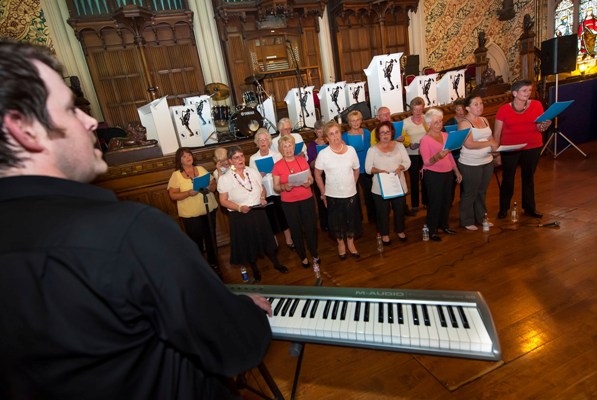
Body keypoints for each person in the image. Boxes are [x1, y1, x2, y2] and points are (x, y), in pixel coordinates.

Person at [0, 40, 272, 400]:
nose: (91, 120)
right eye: (70, 109)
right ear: (24, 129)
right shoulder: (129, 232)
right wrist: (246, 310)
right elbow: (234, 345)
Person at [218, 146, 289, 281]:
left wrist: (262, 197)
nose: (240, 159)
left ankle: (276, 263)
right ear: (230, 161)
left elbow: (262, 189)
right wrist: (239, 208)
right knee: (248, 244)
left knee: (267, 240)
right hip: (240, 216)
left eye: (242, 156)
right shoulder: (225, 178)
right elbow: (223, 201)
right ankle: (255, 269)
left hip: (258, 211)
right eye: (236, 157)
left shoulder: (253, 172)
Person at [494, 79, 551, 219]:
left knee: (528, 177)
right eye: (524, 91)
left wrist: (545, 125)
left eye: (529, 90)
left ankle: (529, 207)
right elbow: (496, 133)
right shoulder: (503, 109)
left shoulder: (537, 105)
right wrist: (496, 154)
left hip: (532, 146)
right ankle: (503, 208)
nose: (528, 93)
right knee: (508, 178)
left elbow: (539, 127)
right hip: (509, 148)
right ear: (514, 93)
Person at [272, 135, 320, 272]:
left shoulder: (302, 160)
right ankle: (303, 256)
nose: (288, 149)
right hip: (289, 202)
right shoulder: (277, 166)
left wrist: (308, 182)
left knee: (311, 228)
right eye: (285, 146)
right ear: (281, 149)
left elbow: (311, 179)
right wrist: (283, 187)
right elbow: (276, 186)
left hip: (307, 198)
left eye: (290, 145)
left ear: (294, 146)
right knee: (296, 230)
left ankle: (314, 253)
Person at [314, 121, 361, 259]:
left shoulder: (351, 150)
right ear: (326, 138)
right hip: (332, 194)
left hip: (350, 193)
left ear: (341, 133)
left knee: (351, 220)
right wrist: (323, 193)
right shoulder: (323, 154)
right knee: (337, 221)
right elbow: (317, 174)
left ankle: (351, 244)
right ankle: (341, 245)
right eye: (331, 134)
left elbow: (357, 169)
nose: (335, 136)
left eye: (337, 132)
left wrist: (352, 183)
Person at [168, 147, 220, 271]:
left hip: (209, 210)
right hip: (190, 215)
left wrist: (211, 186)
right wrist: (188, 193)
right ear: (179, 160)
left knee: (211, 237)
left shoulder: (201, 169)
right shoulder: (176, 175)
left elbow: (213, 183)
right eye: (184, 156)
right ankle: (200, 266)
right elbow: (173, 195)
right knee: (196, 241)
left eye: (189, 155)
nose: (188, 157)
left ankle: (214, 263)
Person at [419, 108, 462, 242]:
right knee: (435, 202)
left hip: (447, 173)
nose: (439, 124)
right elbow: (426, 161)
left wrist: (456, 171)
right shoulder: (425, 140)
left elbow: (450, 157)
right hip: (433, 175)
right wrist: (438, 156)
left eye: (440, 121)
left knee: (447, 201)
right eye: (436, 122)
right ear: (429, 124)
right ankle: (432, 230)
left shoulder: (445, 136)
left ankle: (444, 225)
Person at [365, 121, 411, 244]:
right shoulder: (372, 150)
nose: (385, 135)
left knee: (400, 209)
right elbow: (368, 169)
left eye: (387, 132)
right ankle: (384, 234)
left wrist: (401, 167)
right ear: (378, 135)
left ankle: (400, 230)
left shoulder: (400, 146)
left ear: (392, 133)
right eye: (382, 132)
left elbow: (407, 162)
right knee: (382, 212)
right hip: (380, 187)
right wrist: (379, 171)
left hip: (398, 184)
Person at [457, 95, 499, 230]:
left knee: (482, 191)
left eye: (481, 103)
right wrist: (490, 143)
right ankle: (467, 220)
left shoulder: (484, 120)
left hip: (487, 160)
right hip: (470, 163)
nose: (480, 106)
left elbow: (491, 138)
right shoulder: (464, 123)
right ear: (468, 108)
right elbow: (469, 144)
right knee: (470, 192)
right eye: (476, 104)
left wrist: (495, 151)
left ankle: (481, 217)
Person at [249, 128, 295, 249]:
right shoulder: (253, 158)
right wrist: (260, 175)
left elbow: (284, 171)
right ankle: (273, 242)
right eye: (260, 140)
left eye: (265, 139)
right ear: (257, 142)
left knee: (283, 215)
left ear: (269, 141)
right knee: (269, 218)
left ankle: (289, 239)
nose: (263, 142)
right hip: (264, 192)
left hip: (278, 190)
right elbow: (252, 178)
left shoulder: (277, 155)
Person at [342, 109, 375, 222]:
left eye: (357, 120)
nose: (355, 123)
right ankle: (358, 219)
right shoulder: (345, 136)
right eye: (352, 121)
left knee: (369, 193)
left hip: (366, 167)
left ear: (361, 120)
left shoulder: (366, 132)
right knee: (354, 196)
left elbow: (371, 148)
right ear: (349, 123)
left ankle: (372, 217)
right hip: (352, 170)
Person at [403, 97, 428, 213]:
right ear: (411, 110)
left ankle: (426, 202)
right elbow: (402, 139)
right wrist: (409, 145)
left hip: (425, 153)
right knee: (414, 179)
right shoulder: (405, 122)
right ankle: (414, 204)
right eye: (415, 110)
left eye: (420, 109)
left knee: (425, 179)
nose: (418, 112)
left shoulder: (426, 119)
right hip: (412, 153)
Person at [306, 119, 328, 231]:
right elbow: (310, 164)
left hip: (330, 174)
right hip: (318, 174)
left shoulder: (329, 142)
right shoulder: (311, 145)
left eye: (323, 131)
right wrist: (318, 158)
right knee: (321, 199)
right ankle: (325, 224)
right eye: (319, 131)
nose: (321, 134)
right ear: (315, 132)